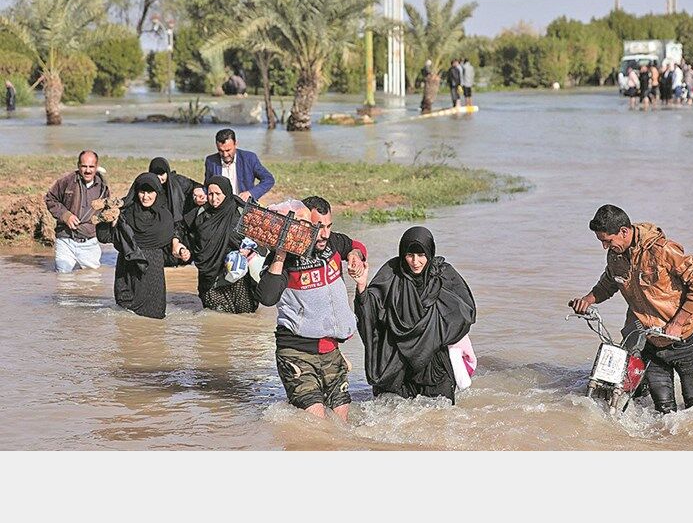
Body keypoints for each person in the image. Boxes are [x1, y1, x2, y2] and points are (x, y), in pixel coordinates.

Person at [569, 205, 693, 414]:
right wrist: (587, 300)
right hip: (651, 345)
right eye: (601, 241)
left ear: (624, 231)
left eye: (608, 241)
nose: (605, 247)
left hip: (682, 341)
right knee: (664, 412)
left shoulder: (663, 250)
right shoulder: (615, 255)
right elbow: (609, 282)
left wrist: (678, 322)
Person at [255, 195, 367, 421]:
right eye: (318, 227)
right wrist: (280, 253)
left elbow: (355, 246)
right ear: (303, 226)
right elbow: (267, 296)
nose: (324, 234)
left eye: (328, 226)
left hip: (331, 352)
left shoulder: (332, 243)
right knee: (317, 424)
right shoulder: (285, 258)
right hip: (296, 352)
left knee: (341, 426)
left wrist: (355, 256)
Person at [354, 226, 476, 405]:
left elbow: (464, 311)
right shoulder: (391, 273)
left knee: (441, 415)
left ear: (430, 253)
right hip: (398, 366)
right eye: (410, 255)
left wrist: (436, 329)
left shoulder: (443, 274)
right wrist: (361, 287)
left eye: (421, 255)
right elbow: (371, 311)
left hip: (435, 366)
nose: (415, 261)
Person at [96, 173, 187, 319]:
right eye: (142, 192)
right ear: (136, 191)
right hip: (127, 270)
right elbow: (105, 237)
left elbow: (170, 244)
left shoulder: (164, 217)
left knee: (153, 317)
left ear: (157, 192)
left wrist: (180, 249)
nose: (146, 197)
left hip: (152, 271)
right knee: (124, 317)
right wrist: (110, 221)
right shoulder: (124, 212)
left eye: (150, 192)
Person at [184, 176, 259, 313]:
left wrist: (249, 250)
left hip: (237, 275)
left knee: (244, 315)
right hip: (210, 277)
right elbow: (183, 230)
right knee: (214, 316)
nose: (214, 199)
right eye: (210, 194)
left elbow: (260, 238)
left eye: (218, 194)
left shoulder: (241, 212)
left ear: (226, 192)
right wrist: (180, 247)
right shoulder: (201, 214)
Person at [45, 150, 110, 273]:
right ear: (78, 166)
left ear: (96, 167)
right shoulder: (66, 181)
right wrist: (65, 215)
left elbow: (106, 211)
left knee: (92, 278)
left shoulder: (103, 187)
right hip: (65, 240)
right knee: (63, 278)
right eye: (84, 166)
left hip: (90, 242)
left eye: (91, 167)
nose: (88, 170)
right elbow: (50, 198)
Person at [204, 128, 275, 203]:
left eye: (228, 150)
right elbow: (207, 186)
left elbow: (268, 179)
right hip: (220, 206)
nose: (225, 155)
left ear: (235, 144)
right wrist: (201, 192)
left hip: (243, 204)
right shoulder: (210, 161)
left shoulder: (249, 158)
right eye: (220, 151)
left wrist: (251, 193)